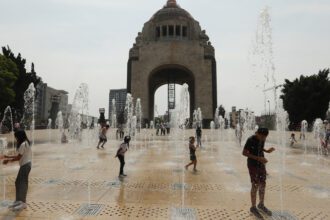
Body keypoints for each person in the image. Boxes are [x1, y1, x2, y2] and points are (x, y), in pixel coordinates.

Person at [242, 128, 275, 218]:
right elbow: (244, 153)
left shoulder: (262, 139)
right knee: (255, 184)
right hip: (253, 165)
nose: (264, 139)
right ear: (258, 134)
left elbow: (259, 148)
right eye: (262, 137)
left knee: (263, 184)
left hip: (261, 164)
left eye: (265, 137)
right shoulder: (250, 140)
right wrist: (258, 158)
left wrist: (267, 151)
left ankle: (261, 204)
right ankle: (253, 207)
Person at [2, 130, 32, 211]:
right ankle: (18, 200)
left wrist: (8, 160)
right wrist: (6, 156)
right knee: (18, 182)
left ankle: (23, 203)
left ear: (19, 136)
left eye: (16, 137)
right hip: (26, 165)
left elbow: (18, 158)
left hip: (25, 165)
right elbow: (18, 156)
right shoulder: (26, 142)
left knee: (22, 183)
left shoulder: (23, 144)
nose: (16, 138)